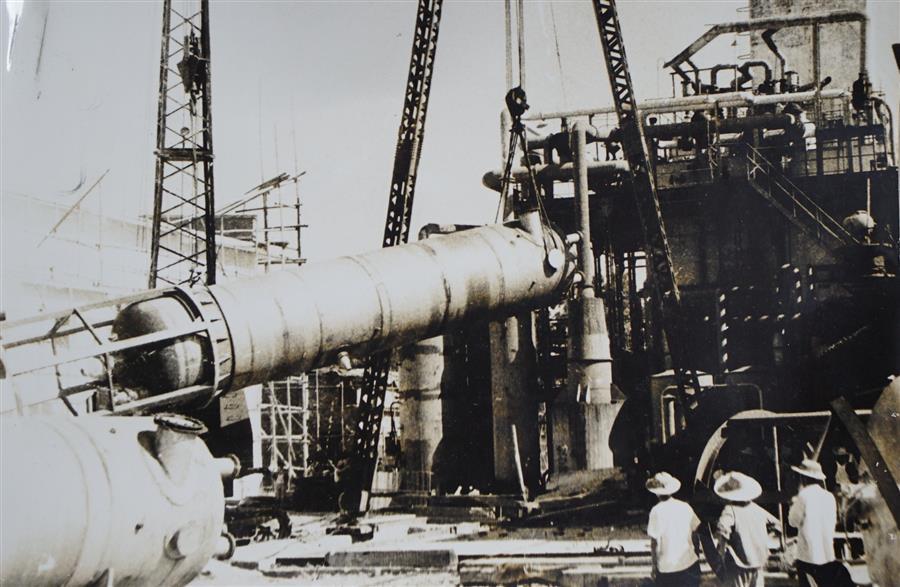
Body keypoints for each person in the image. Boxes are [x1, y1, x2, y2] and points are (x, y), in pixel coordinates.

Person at [788, 458, 852, 586]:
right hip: (827, 553)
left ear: (803, 478)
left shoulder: (803, 496)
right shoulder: (829, 497)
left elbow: (792, 522)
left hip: (807, 555)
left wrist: (792, 505)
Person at [715, 471, 776, 587]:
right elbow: (776, 524)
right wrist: (765, 538)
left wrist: (721, 552)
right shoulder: (757, 509)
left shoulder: (730, 510)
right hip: (758, 561)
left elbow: (723, 529)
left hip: (738, 562)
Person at [646, 471, 701, 586]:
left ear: (656, 493)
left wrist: (654, 566)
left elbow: (654, 542)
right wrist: (696, 553)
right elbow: (696, 532)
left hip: (667, 567)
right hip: (689, 563)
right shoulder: (685, 507)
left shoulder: (656, 511)